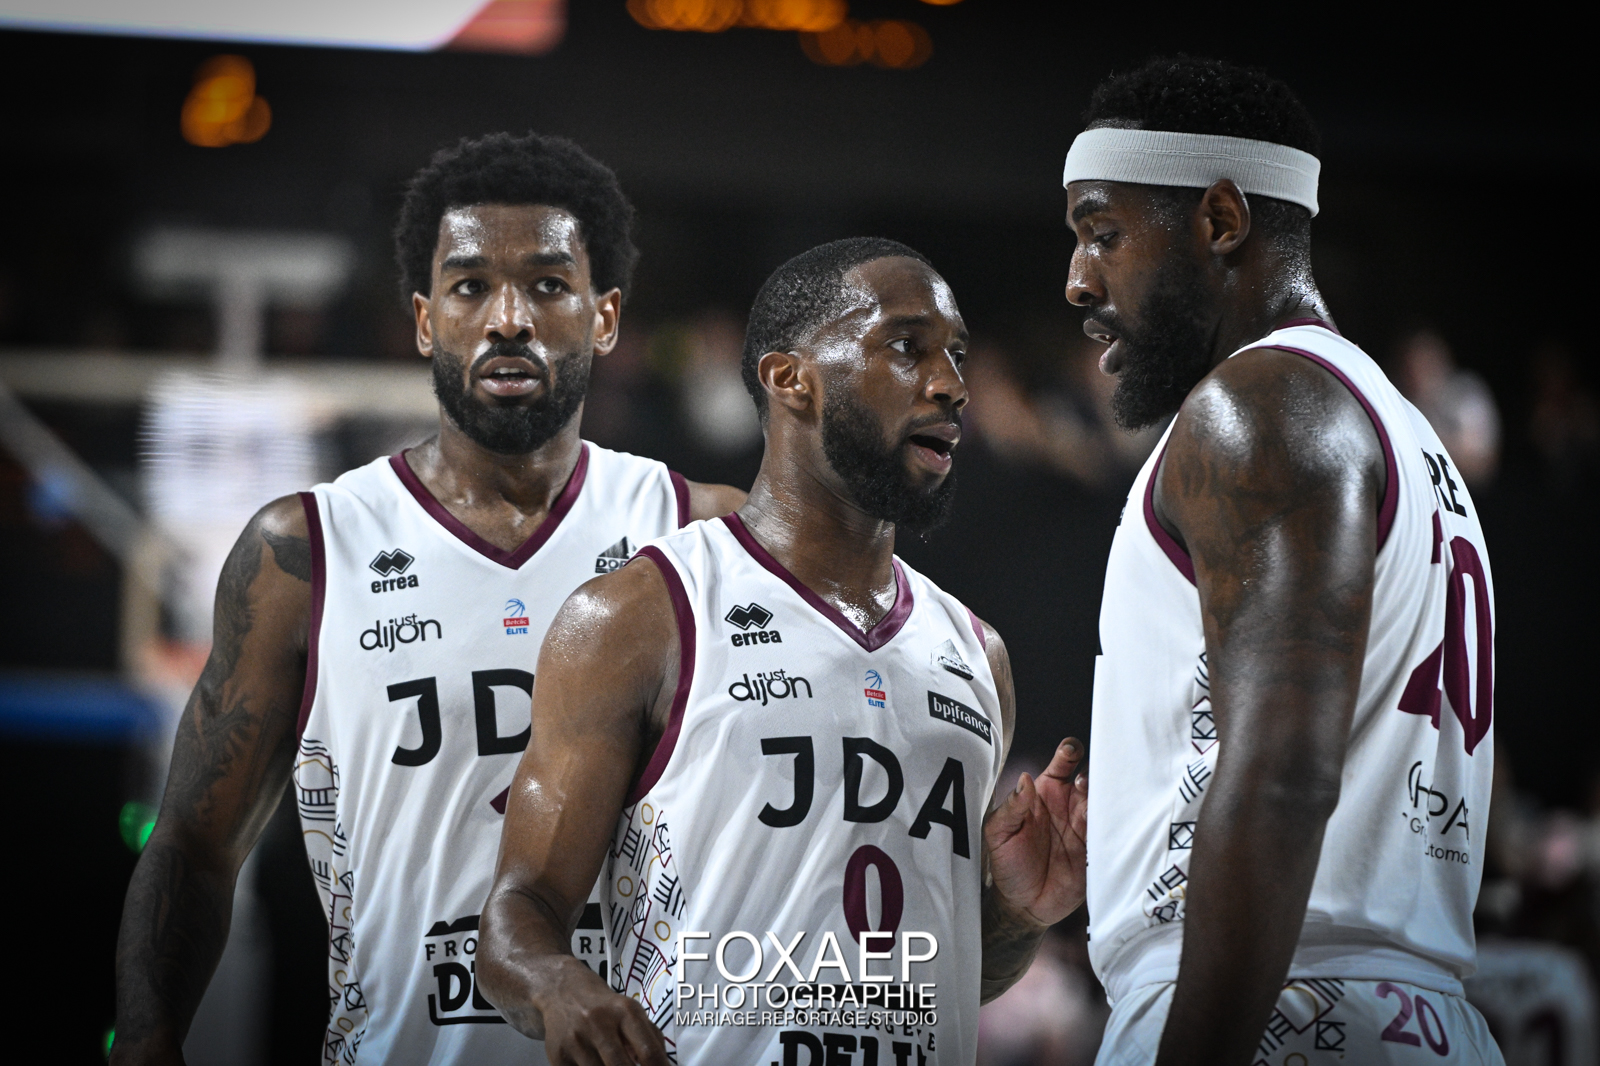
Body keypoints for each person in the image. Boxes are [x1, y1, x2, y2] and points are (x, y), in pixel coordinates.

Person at [112, 132, 746, 1066]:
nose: (508, 319)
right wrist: (145, 1039)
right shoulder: (307, 549)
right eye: (470, 286)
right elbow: (195, 846)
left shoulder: (704, 537)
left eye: (547, 285)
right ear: (424, 320)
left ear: (605, 317)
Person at [476, 238, 1089, 1065]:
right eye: (907, 346)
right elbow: (518, 916)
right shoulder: (641, 614)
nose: (951, 384)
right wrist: (557, 984)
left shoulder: (978, 655)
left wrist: (1016, 914)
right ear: (790, 378)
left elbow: (952, 975)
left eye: (956, 355)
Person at [1062, 57, 1501, 1065]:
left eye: (1102, 232)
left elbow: (1282, 780)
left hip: (1276, 1009)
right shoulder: (1404, 432)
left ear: (1220, 220)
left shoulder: (1259, 408)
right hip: (1413, 1014)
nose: (1078, 279)